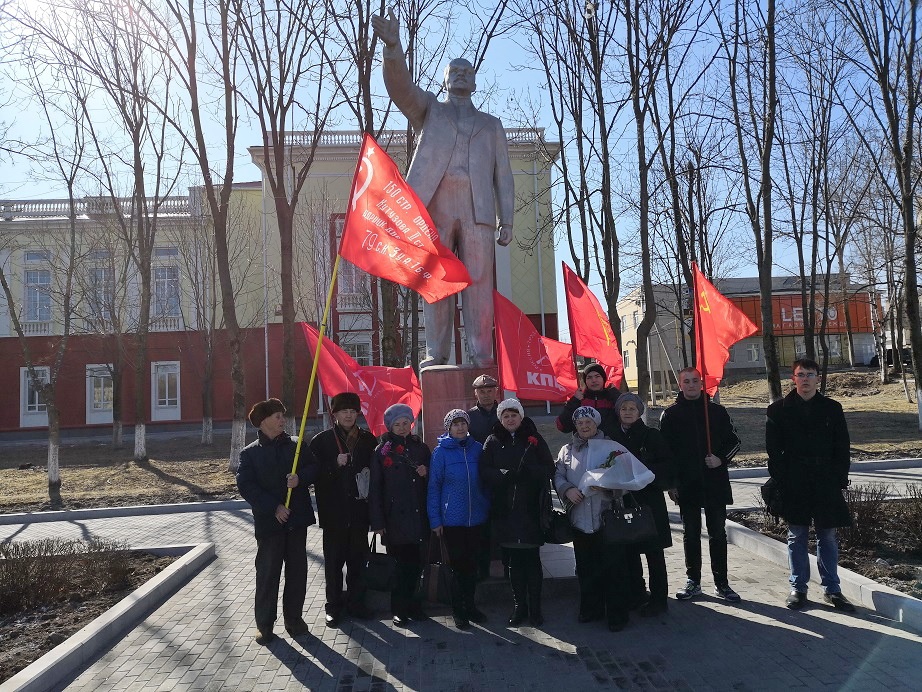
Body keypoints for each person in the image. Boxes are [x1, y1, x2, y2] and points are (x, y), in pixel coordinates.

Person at [371, 10, 515, 367]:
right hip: (435, 208)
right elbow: (401, 90)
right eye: (455, 71)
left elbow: (504, 176)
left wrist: (507, 219)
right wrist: (393, 48)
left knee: (479, 281)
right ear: (445, 80)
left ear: (475, 83)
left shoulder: (492, 125)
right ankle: (437, 351)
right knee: (436, 280)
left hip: (478, 212)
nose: (462, 74)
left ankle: (481, 352)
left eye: (468, 71)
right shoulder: (430, 111)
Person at [767, 358, 855, 612]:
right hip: (794, 480)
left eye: (810, 374)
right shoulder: (778, 410)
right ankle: (798, 588)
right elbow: (773, 451)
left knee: (827, 535)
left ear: (818, 378)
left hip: (826, 480)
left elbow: (842, 446)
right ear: (793, 379)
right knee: (797, 535)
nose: (805, 379)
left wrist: (839, 477)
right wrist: (781, 480)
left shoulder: (832, 408)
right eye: (800, 374)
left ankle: (832, 589)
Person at [236, 398, 317, 645]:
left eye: (283, 415)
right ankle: (265, 625)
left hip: (296, 521)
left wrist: (300, 478)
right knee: (268, 574)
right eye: (277, 416)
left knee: (297, 573)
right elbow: (246, 486)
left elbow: (314, 468)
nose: (283, 420)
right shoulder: (250, 453)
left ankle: (294, 620)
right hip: (270, 524)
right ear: (263, 422)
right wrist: (274, 507)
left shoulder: (296, 445)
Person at [659, 367, 742, 603]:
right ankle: (693, 581)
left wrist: (720, 459)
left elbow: (735, 441)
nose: (691, 385)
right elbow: (665, 453)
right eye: (687, 381)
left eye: (695, 381)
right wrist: (671, 483)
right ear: (680, 385)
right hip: (687, 484)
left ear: (701, 383)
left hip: (714, 482)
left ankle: (721, 582)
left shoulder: (717, 411)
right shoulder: (670, 415)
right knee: (691, 533)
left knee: (717, 533)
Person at [554, 405, 634, 632]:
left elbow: (627, 478)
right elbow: (558, 475)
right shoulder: (567, 450)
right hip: (580, 521)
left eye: (588, 422)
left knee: (613, 569)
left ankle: (617, 614)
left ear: (596, 423)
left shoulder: (611, 448)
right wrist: (567, 489)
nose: (584, 426)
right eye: (579, 423)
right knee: (586, 568)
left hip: (607, 519)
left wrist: (609, 488)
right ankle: (591, 609)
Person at [480, 398, 555, 626]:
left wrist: (530, 472)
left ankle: (535, 609)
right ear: (500, 419)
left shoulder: (533, 438)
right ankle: (519, 607)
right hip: (505, 511)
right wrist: (502, 475)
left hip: (531, 510)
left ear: (521, 417)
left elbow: (549, 467)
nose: (510, 419)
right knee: (513, 562)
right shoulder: (493, 440)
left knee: (532, 561)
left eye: (514, 415)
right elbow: (484, 470)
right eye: (506, 416)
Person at [308, 392, 378, 627]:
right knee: (333, 564)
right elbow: (312, 474)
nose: (348, 415)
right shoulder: (322, 441)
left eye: (352, 411)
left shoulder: (368, 440)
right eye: (343, 411)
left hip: (359, 513)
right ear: (335, 414)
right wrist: (333, 465)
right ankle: (333, 607)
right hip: (334, 514)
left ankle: (357, 604)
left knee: (358, 562)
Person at [609, 393, 675, 617]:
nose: (628, 412)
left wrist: (643, 471)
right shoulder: (612, 438)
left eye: (632, 408)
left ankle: (659, 599)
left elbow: (667, 465)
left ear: (639, 412)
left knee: (653, 553)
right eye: (624, 408)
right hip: (624, 501)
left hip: (649, 503)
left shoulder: (651, 436)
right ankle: (637, 593)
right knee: (630, 551)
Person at [369, 403, 432, 626]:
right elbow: (375, 489)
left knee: (416, 566)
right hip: (395, 519)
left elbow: (435, 481)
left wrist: (426, 473)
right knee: (399, 567)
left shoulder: (421, 448)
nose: (403, 427)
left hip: (419, 516)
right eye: (398, 424)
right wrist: (378, 522)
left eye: (406, 423)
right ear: (390, 427)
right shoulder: (382, 452)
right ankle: (399, 609)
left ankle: (415, 606)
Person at [427, 409, 490, 629]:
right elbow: (434, 487)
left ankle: (471, 606)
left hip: (477, 518)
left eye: (463, 423)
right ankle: (458, 610)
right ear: (449, 428)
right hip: (452, 520)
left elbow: (486, 480)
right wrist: (435, 520)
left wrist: (486, 505)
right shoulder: (440, 453)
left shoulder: (478, 448)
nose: (460, 427)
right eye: (455, 424)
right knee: (458, 567)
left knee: (472, 567)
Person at [556, 363, 621, 438]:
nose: (594, 380)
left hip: (611, 443)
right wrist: (574, 401)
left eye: (597, 376)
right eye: (589, 377)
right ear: (585, 381)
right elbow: (562, 426)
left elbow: (628, 417)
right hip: (584, 443)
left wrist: (616, 394)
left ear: (603, 379)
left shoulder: (611, 397)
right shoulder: (579, 400)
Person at [468, 374, 500, 444]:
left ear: (496, 392)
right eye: (482, 392)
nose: (486, 395)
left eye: (489, 391)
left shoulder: (504, 413)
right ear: (476, 394)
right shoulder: (469, 416)